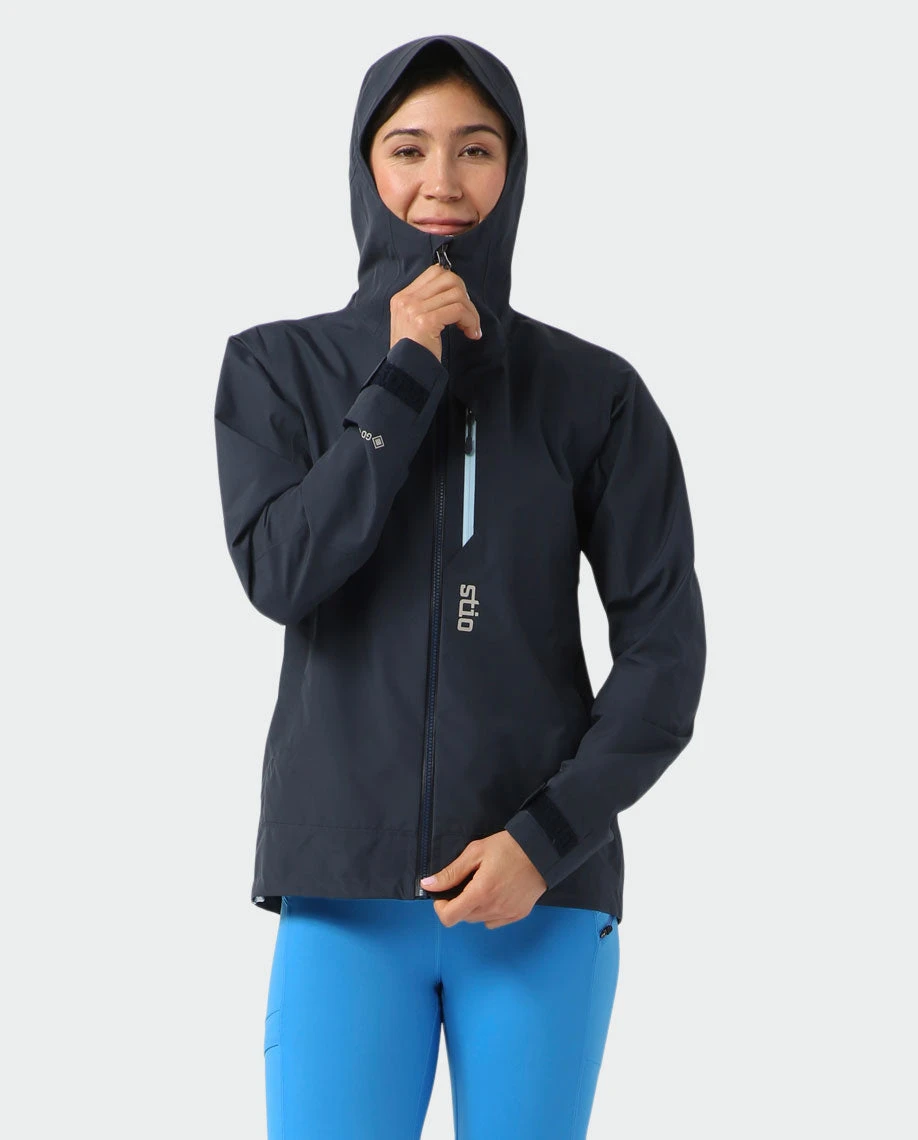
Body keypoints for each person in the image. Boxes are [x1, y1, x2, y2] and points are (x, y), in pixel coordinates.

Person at [213, 33, 706, 1140]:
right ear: (364, 166)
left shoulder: (593, 394)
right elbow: (282, 572)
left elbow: (665, 659)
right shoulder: (276, 370)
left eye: (476, 149)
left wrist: (544, 838)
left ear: (513, 171)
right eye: (409, 149)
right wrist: (400, 380)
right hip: (343, 896)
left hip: (537, 899)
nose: (442, 181)